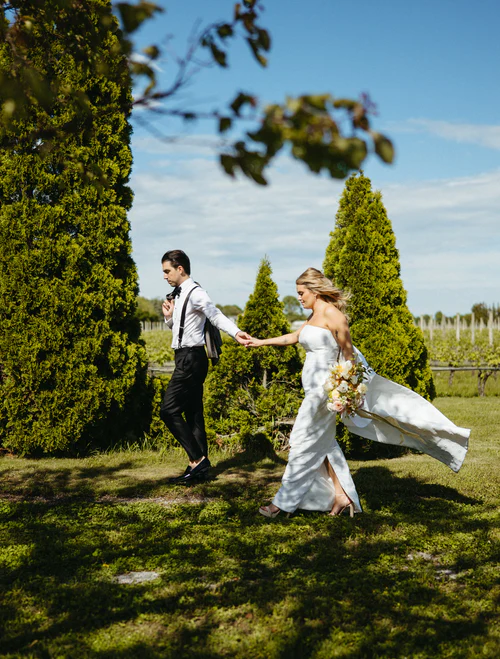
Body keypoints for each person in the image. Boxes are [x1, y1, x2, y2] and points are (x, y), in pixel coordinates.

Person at [245, 268, 470, 518]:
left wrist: (343, 393)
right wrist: (260, 341)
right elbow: (294, 337)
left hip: (325, 393)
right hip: (312, 390)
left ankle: (282, 504)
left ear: (315, 291)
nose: (299, 298)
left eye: (301, 293)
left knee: (299, 441)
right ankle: (342, 497)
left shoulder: (335, 316)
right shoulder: (312, 316)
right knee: (324, 443)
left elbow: (349, 356)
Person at [160, 250, 251, 484]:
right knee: (193, 414)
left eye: (167, 271)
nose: (164, 276)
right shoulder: (178, 296)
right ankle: (200, 472)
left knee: (168, 410)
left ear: (180, 269)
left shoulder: (197, 293)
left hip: (192, 358)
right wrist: (169, 318)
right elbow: (182, 330)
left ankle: (197, 460)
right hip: (184, 356)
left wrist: (236, 332)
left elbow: (215, 316)